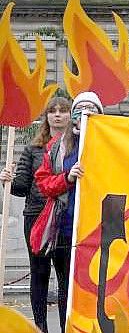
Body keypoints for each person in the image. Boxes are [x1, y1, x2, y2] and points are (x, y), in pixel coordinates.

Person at [34, 91, 103, 331]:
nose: (85, 114)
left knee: (97, 287)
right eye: (80, 109)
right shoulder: (57, 147)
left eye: (91, 109)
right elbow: (43, 184)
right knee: (67, 288)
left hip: (100, 230)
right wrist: (67, 177)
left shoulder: (111, 144)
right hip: (66, 228)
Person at [0, 97, 70, 333]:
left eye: (63, 111)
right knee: (39, 274)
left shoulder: (78, 147)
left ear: (70, 116)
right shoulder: (33, 149)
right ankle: (40, 327)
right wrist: (7, 180)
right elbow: (20, 188)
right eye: (53, 111)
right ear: (46, 116)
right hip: (36, 217)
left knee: (64, 278)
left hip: (65, 219)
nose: (57, 115)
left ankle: (65, 327)